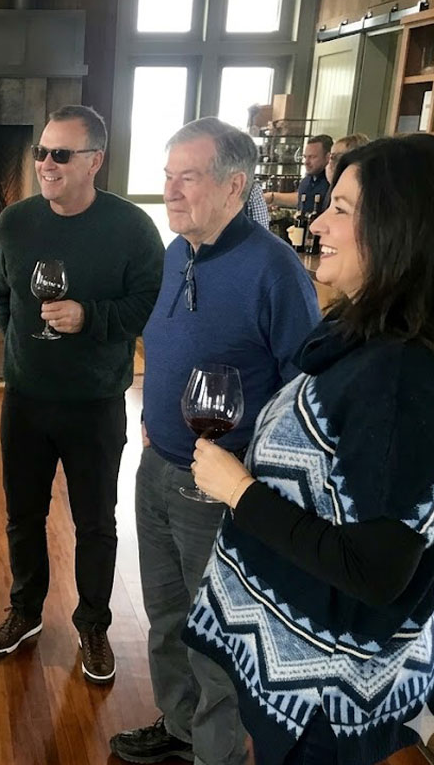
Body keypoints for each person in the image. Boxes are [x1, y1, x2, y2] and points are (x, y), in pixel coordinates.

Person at [184, 133, 434, 765]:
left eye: (343, 209)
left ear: (401, 228)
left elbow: (377, 571)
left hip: (321, 692)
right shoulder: (360, 334)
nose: (317, 220)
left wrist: (238, 490)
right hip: (293, 664)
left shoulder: (402, 375)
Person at [109, 118, 320, 765]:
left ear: (234, 186)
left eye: (188, 178)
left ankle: (217, 755)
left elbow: (306, 393)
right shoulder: (179, 252)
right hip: (157, 466)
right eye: (167, 176)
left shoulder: (275, 271)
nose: (170, 191)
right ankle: (179, 727)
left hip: (220, 487)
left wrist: (250, 475)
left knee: (218, 640)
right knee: (166, 619)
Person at [0, 104, 165, 683]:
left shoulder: (131, 228)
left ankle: (93, 623)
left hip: (95, 404)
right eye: (41, 152)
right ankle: (26, 610)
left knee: (95, 522)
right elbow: (3, 297)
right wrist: (24, 345)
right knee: (22, 516)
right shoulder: (13, 222)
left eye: (61, 154)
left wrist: (90, 317)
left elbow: (148, 304)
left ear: (95, 161)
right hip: (26, 402)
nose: (46, 163)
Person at [265, 133, 332, 212]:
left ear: (328, 157)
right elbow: (299, 199)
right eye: (305, 157)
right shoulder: (306, 182)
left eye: (312, 157)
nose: (306, 162)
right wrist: (272, 199)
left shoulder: (334, 184)